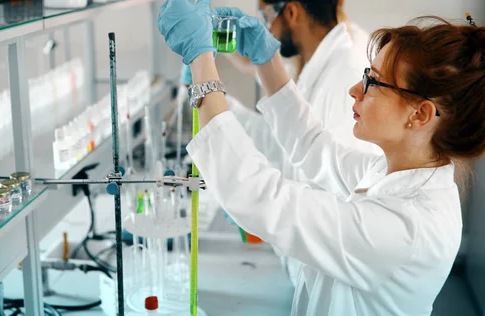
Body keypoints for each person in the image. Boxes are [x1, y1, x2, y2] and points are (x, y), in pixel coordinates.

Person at [158, 1, 485, 315]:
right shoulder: (392, 173)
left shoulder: (404, 229)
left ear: (420, 114)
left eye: (374, 81)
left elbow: (260, 198)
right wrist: (267, 59)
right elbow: (314, 148)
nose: (356, 89)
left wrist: (201, 60)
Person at [182, 0, 381, 286]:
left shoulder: (344, 71)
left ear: (291, 12)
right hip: (308, 258)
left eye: (265, 15)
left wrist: (202, 67)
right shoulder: (325, 59)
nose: (265, 25)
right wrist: (223, 96)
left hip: (322, 263)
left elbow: (285, 192)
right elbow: (299, 143)